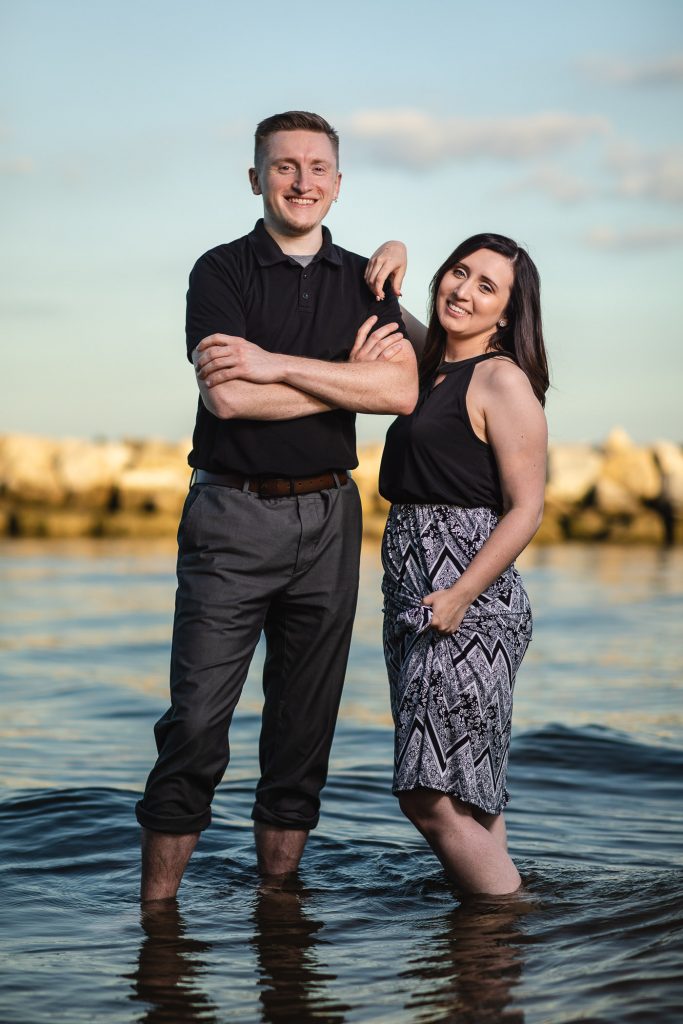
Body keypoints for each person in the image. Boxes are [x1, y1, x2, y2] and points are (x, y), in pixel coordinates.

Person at [135, 111, 418, 902]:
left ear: (338, 180)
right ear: (255, 178)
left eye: (318, 167)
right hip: (230, 515)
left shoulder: (367, 280)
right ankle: (157, 923)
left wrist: (273, 366)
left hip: (332, 519)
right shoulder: (220, 270)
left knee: (301, 734)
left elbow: (398, 390)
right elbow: (226, 398)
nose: (302, 181)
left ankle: (277, 914)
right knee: (194, 725)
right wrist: (335, 382)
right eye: (284, 166)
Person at [367, 233, 548, 895]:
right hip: (412, 596)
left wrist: (460, 595)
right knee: (470, 796)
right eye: (459, 272)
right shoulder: (434, 364)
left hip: (466, 604)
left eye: (485, 287)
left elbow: (525, 508)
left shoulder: (499, 378)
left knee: (425, 794)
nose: (463, 292)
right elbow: (392, 310)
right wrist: (393, 252)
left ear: (506, 313)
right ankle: (485, 975)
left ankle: (512, 922)